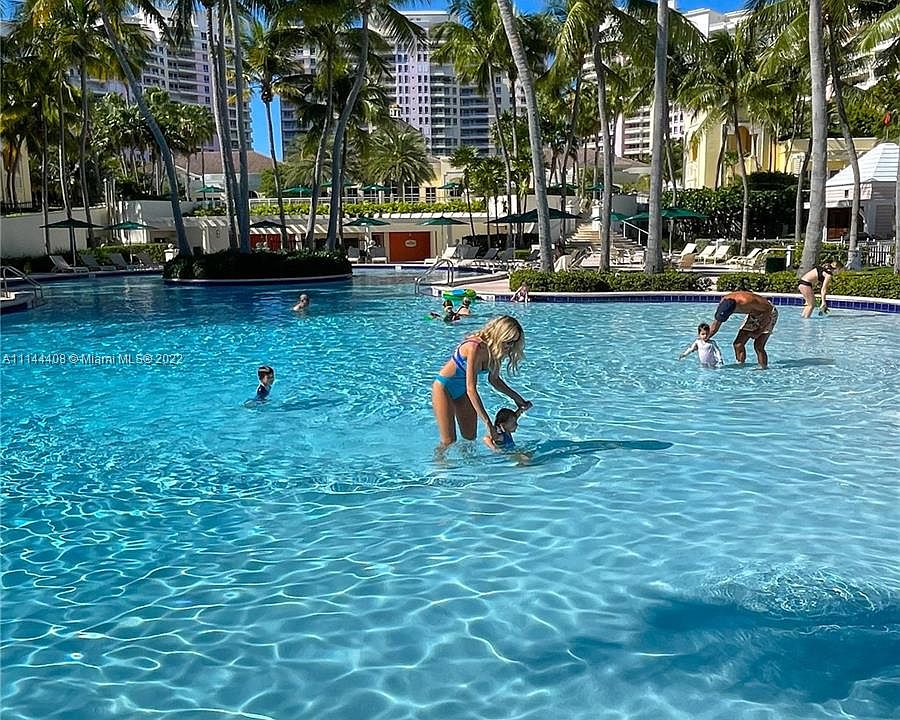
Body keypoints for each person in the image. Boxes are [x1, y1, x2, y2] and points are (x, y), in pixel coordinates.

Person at [432, 315, 532, 452]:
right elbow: (471, 389)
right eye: (508, 341)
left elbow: (494, 380)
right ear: (499, 335)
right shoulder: (475, 347)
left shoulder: (497, 350)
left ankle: (467, 464)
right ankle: (439, 463)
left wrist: (518, 399)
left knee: (469, 439)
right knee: (449, 441)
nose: (510, 346)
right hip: (444, 388)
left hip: (462, 392)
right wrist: (488, 424)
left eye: (514, 342)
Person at [707, 290, 778, 369]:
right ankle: (741, 367)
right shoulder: (723, 302)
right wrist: (703, 339)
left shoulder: (746, 302)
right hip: (753, 314)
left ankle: (763, 369)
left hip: (768, 313)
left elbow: (768, 310)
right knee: (738, 344)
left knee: (758, 346)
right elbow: (714, 327)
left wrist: (759, 331)